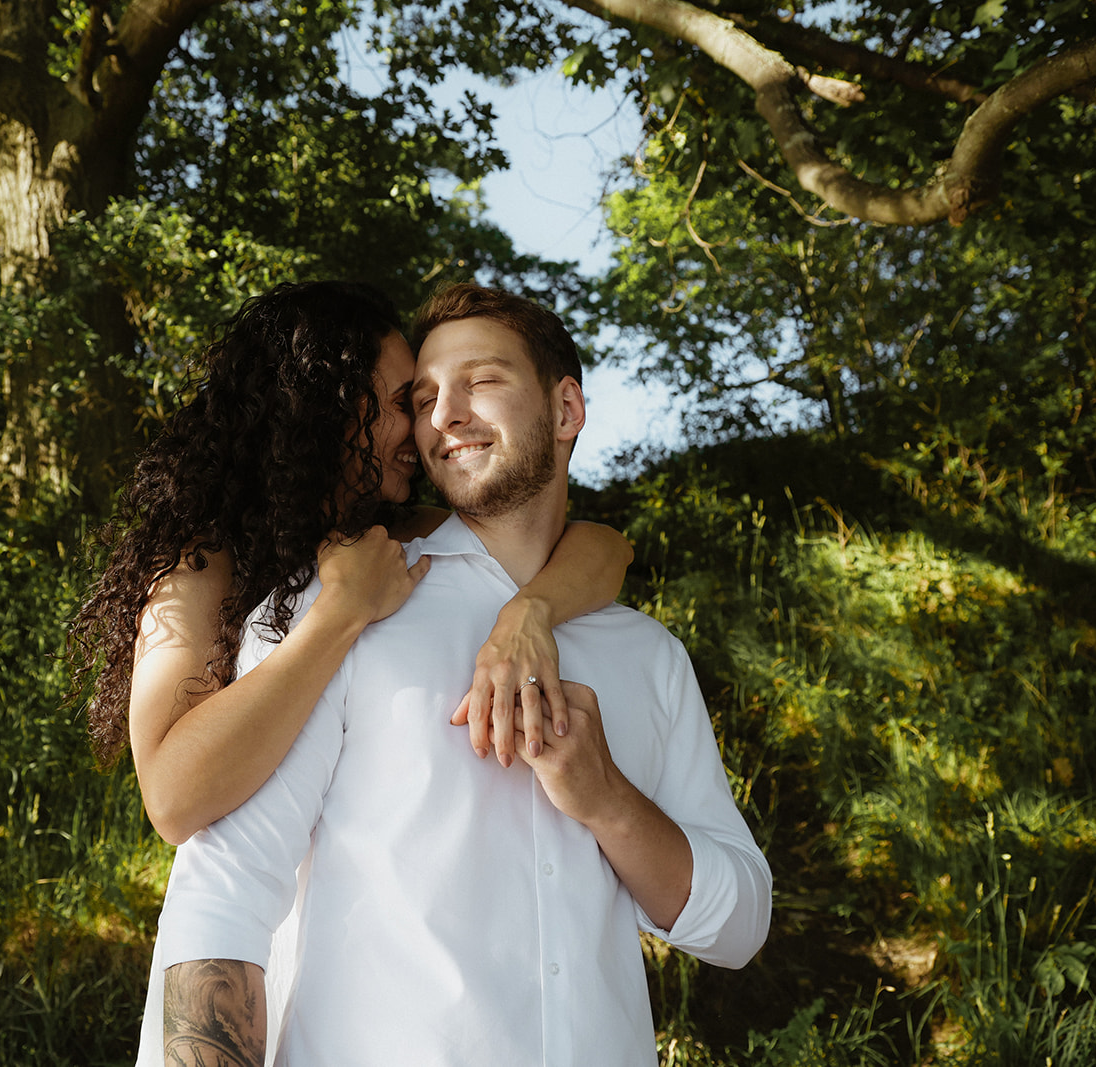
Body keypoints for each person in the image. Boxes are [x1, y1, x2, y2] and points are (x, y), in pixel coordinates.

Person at [140, 283, 772, 1066]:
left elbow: (740, 926)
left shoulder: (646, 653)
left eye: (482, 380)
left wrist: (609, 801)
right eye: (425, 396)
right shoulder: (342, 603)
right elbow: (227, 883)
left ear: (567, 409)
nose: (443, 415)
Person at [67, 280, 633, 847]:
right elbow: (171, 800)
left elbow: (603, 547)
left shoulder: (392, 532)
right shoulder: (200, 566)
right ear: (323, 412)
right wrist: (339, 613)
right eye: (403, 404)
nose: (426, 427)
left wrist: (530, 613)